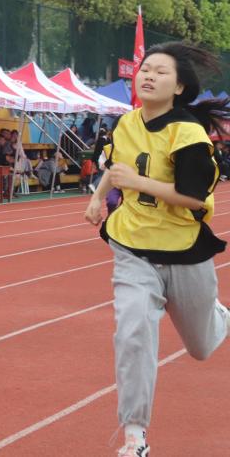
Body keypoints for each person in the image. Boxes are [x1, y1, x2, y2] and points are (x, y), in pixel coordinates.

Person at [83, 42, 230, 457]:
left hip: (184, 249)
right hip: (133, 247)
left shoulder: (189, 134)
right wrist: (97, 198)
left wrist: (139, 183)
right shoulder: (126, 123)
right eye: (145, 69)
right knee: (132, 333)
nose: (148, 76)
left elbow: (193, 197)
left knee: (201, 347)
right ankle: (135, 437)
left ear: (179, 87)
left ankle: (219, 315)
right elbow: (116, 166)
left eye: (161, 72)